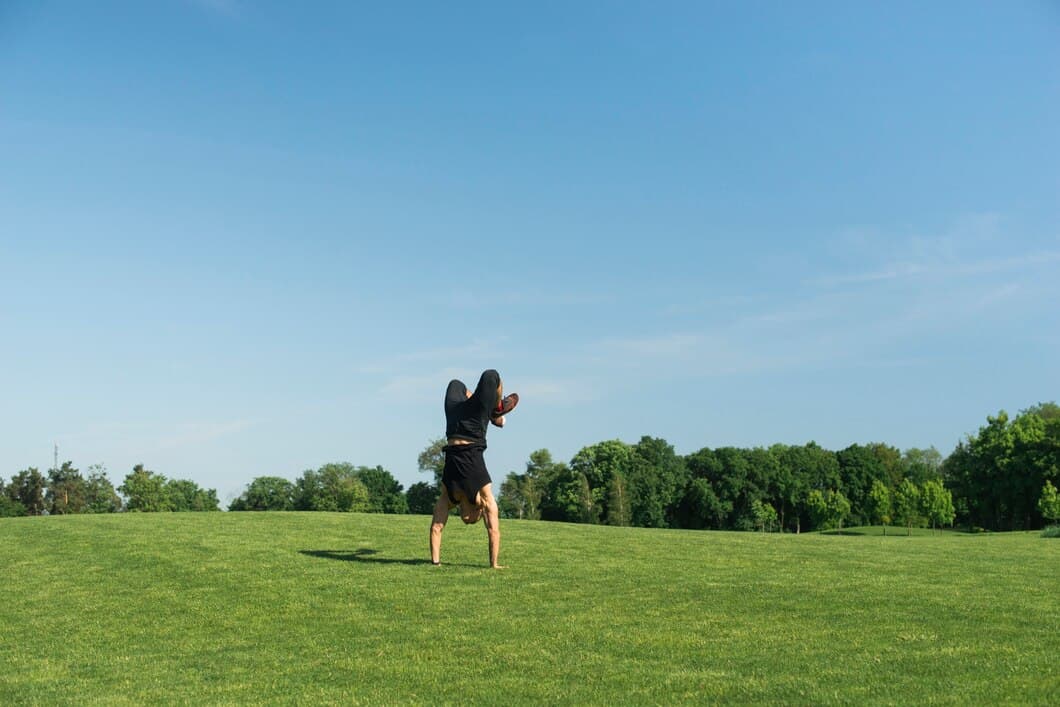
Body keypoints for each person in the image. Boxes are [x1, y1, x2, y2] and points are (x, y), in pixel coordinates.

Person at [429, 369, 517, 569]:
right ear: (480, 513)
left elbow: (436, 528)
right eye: (471, 519)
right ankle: (496, 409)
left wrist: (436, 562)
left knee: (455, 384)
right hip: (476, 426)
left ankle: (490, 411)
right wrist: (494, 564)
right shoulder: (484, 493)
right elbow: (493, 531)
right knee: (491, 376)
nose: (466, 518)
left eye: (464, 519)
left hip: (454, 424)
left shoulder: (450, 495)